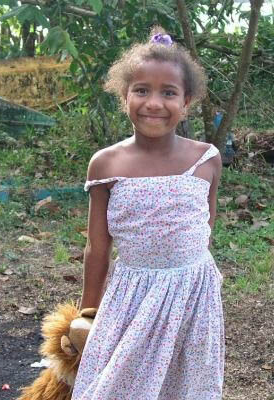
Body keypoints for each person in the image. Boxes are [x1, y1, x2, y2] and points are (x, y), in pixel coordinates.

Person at [73, 27, 224, 399]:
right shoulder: (106, 164)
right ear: (124, 96)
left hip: (192, 295)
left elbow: (207, 225)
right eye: (141, 90)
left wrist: (195, 275)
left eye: (168, 93)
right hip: (133, 296)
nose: (153, 103)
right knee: (115, 385)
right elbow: (97, 247)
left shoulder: (206, 159)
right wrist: (87, 312)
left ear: (186, 102)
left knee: (185, 384)